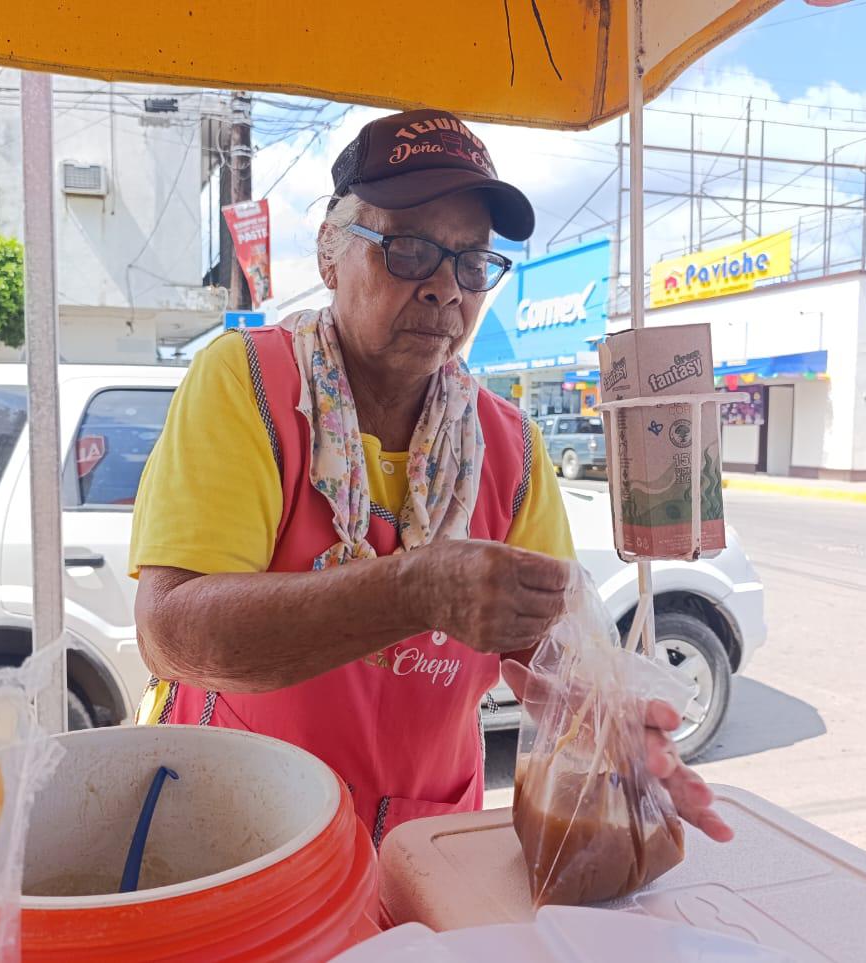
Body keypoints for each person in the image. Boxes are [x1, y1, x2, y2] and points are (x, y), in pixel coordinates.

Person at [129, 108, 732, 847]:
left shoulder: (510, 448)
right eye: (410, 248)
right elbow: (172, 634)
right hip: (245, 831)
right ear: (329, 253)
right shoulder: (251, 382)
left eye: (472, 263)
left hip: (422, 846)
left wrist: (607, 720)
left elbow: (553, 652)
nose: (446, 289)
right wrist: (414, 590)